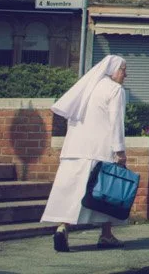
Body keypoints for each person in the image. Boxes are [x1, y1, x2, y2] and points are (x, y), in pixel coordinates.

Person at [41, 55, 129, 252]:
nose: (126, 74)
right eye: (123, 69)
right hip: (100, 150)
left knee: (73, 192)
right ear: (113, 70)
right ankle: (106, 235)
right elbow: (116, 122)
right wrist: (120, 151)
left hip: (74, 149)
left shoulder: (88, 88)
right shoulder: (115, 90)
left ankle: (63, 228)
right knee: (107, 193)